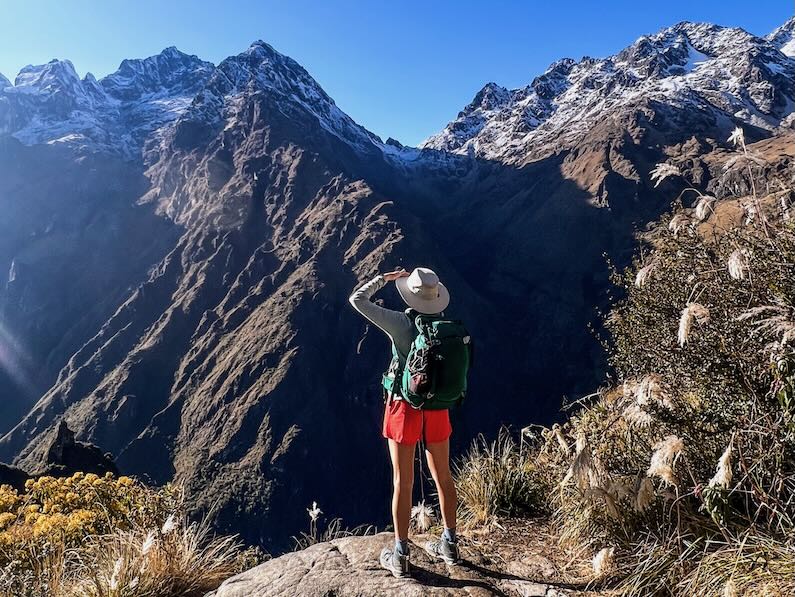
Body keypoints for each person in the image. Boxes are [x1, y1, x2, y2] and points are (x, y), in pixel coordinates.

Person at [349, 267, 460, 578]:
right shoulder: (444, 324)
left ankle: (400, 555)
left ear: (408, 293)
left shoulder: (399, 323)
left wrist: (382, 279)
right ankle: (450, 544)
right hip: (437, 407)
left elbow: (357, 299)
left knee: (403, 482)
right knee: (443, 477)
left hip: (403, 407)